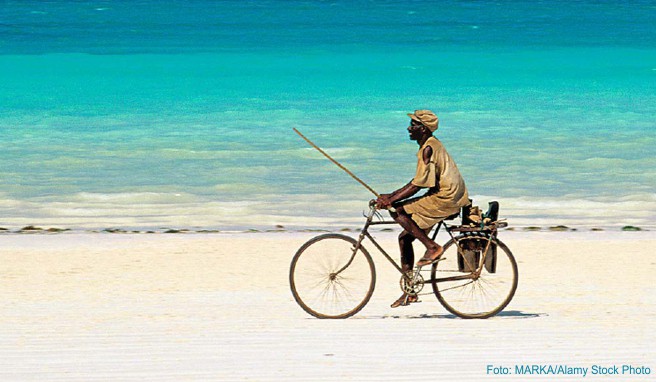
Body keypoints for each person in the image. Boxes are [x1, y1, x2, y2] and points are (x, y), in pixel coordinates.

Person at [375, 110, 470, 308]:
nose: (409, 128)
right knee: (404, 237)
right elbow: (417, 182)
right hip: (445, 193)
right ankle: (409, 291)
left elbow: (419, 185)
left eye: (413, 125)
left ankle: (432, 247)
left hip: (446, 197)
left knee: (399, 211)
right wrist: (389, 197)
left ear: (423, 129)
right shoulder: (428, 145)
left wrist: (390, 201)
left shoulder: (428, 149)